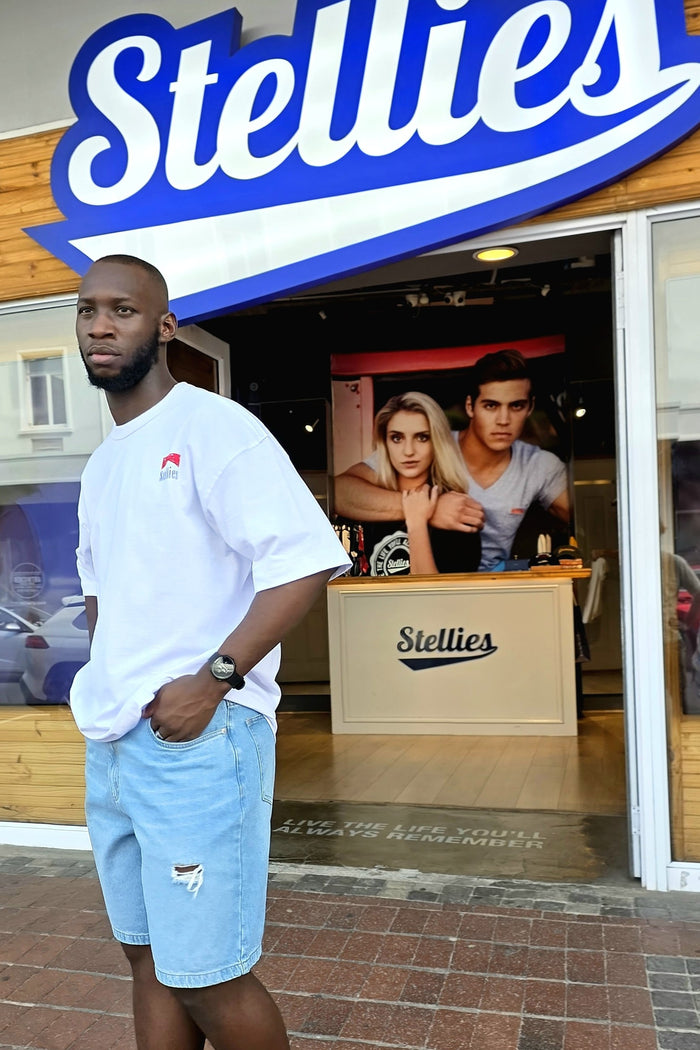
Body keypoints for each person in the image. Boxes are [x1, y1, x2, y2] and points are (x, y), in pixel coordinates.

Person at [70, 254, 350, 1050]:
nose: (99, 325)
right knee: (147, 952)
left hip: (199, 738)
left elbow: (304, 560)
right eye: (88, 309)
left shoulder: (212, 427)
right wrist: (112, 677)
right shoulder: (103, 462)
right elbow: (102, 594)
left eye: (122, 310)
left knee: (208, 973)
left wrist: (214, 680)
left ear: (163, 328)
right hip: (119, 740)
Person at [334, 349, 570, 570]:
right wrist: (429, 508)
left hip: (492, 585)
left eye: (516, 406)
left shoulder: (540, 465)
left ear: (529, 408)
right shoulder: (428, 447)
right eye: (491, 405)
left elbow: (587, 519)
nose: (503, 420)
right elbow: (339, 492)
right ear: (470, 406)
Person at [355, 391, 481, 575]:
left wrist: (416, 523)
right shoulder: (364, 509)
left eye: (422, 437)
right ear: (385, 443)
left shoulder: (458, 512)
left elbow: (435, 599)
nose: (408, 451)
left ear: (437, 442)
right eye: (397, 438)